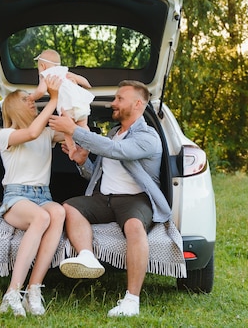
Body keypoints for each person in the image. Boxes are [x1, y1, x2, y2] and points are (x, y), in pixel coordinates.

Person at [48, 80, 170, 318]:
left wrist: (74, 130)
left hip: (135, 199)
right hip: (104, 197)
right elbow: (100, 172)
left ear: (137, 104)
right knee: (70, 207)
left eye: (119, 99)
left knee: (135, 227)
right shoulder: (114, 133)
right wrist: (83, 162)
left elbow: (117, 152)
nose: (113, 103)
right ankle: (87, 256)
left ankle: (131, 300)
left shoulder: (148, 136)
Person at [0, 75, 66, 317]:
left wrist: (69, 98)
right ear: (14, 107)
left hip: (42, 195)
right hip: (17, 198)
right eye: (26, 100)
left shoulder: (46, 134)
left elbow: (77, 129)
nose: (32, 102)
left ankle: (33, 290)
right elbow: (33, 133)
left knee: (58, 212)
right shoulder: (6, 135)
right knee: (41, 218)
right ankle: (12, 293)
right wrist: (53, 99)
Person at [29, 49, 94, 160]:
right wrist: (87, 86)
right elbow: (84, 81)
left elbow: (40, 91)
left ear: (43, 66)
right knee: (83, 126)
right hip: (82, 105)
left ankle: (72, 148)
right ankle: (88, 143)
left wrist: (31, 98)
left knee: (67, 130)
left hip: (67, 109)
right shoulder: (65, 72)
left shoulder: (46, 75)